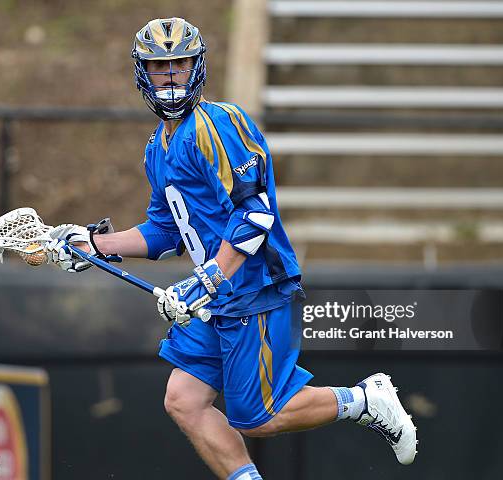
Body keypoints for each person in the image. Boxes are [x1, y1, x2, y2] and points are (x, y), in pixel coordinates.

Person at [46, 17, 417, 480]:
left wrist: (210, 277)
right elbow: (165, 232)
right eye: (159, 66)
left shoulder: (217, 124)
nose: (170, 76)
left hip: (251, 286)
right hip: (215, 295)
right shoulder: (156, 147)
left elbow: (255, 214)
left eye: (178, 63)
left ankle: (364, 400)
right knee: (184, 401)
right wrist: (93, 243)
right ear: (142, 72)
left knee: (258, 416)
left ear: (196, 65)